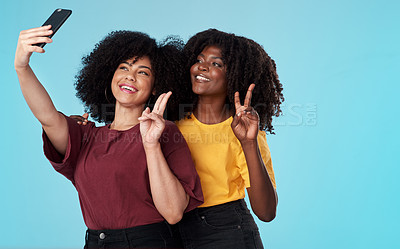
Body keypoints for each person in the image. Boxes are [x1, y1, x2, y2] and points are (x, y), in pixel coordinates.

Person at [14, 25, 203, 249]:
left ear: (155, 87)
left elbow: (173, 213)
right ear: (110, 75)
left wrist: (151, 145)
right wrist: (22, 66)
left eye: (143, 72)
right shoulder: (85, 136)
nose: (130, 76)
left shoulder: (165, 131)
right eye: (124, 67)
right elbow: (47, 117)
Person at [173, 29, 284, 249]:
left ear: (235, 75)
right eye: (199, 60)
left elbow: (266, 212)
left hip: (226, 231)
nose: (202, 67)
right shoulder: (170, 122)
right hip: (172, 229)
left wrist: (249, 143)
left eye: (216, 64)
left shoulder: (244, 131)